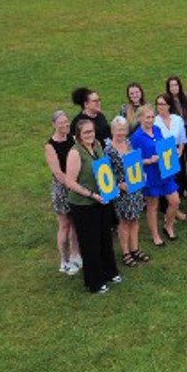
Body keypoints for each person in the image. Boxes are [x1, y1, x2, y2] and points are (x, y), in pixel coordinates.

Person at [63, 119, 120, 294]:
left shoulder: (97, 146)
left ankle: (109, 272)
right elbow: (69, 182)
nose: (90, 135)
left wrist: (110, 189)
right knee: (90, 243)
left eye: (92, 131)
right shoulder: (75, 153)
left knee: (104, 237)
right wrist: (91, 195)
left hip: (102, 200)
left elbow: (103, 170)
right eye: (86, 132)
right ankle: (95, 282)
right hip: (84, 204)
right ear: (78, 135)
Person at [131, 105, 180, 246]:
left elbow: (163, 147)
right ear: (140, 118)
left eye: (152, 117)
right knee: (153, 205)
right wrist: (148, 160)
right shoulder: (137, 137)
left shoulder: (157, 130)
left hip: (164, 171)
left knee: (175, 201)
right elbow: (133, 160)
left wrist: (171, 152)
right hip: (150, 174)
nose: (150, 120)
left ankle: (168, 225)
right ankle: (155, 235)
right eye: (147, 117)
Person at [105, 116, 147, 267]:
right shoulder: (108, 150)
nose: (121, 133)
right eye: (118, 130)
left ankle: (135, 249)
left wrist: (141, 173)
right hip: (122, 192)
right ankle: (125, 253)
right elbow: (105, 174)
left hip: (135, 188)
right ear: (112, 131)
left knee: (135, 219)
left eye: (123, 129)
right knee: (124, 222)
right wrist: (118, 184)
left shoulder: (128, 143)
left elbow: (135, 161)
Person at [44, 110, 81, 275]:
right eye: (61, 123)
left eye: (66, 122)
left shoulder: (72, 139)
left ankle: (75, 254)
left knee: (75, 222)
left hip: (74, 185)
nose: (65, 125)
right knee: (64, 224)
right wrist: (71, 184)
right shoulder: (50, 145)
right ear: (54, 125)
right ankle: (64, 260)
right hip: (62, 189)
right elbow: (57, 172)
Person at [154, 93, 187, 222]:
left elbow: (182, 139)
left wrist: (180, 151)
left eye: (162, 104)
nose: (160, 107)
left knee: (178, 181)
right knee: (165, 183)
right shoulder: (155, 122)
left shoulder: (177, 119)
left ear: (169, 105)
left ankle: (176, 208)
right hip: (162, 156)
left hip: (176, 154)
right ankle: (166, 211)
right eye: (158, 104)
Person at [165, 76, 187, 198]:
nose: (174, 88)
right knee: (179, 162)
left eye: (176, 85)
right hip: (175, 133)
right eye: (171, 86)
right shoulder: (167, 102)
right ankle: (181, 187)